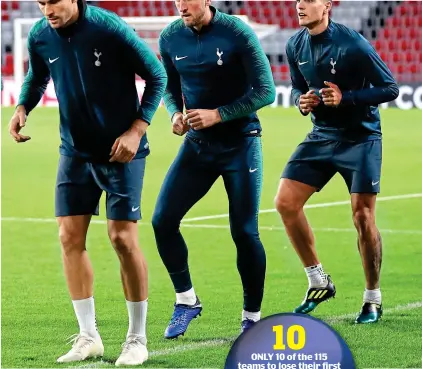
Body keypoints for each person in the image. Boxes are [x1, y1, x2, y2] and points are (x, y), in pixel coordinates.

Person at [8, 0, 167, 364]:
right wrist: (23, 107)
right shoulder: (39, 35)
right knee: (68, 237)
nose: (46, 9)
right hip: (74, 151)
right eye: (40, 2)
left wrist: (136, 131)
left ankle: (137, 339)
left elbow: (157, 75)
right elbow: (37, 75)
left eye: (53, 1)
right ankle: (88, 336)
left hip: (120, 151)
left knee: (123, 239)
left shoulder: (108, 28)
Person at [152, 0, 275, 338]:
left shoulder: (238, 32)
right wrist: (176, 113)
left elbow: (267, 92)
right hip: (198, 146)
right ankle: (186, 300)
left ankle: (251, 318)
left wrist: (218, 114)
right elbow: (169, 86)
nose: (179, 5)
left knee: (245, 232)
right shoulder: (170, 37)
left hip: (241, 145)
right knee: (162, 221)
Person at [275, 0, 399, 323]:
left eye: (309, 0)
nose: (300, 6)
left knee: (362, 217)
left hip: (361, 138)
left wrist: (348, 98)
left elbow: (391, 88)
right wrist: (302, 102)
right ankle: (318, 280)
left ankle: (372, 297)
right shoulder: (294, 45)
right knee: (285, 203)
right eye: (298, 0)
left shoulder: (353, 44)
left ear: (328, 5)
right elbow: (297, 88)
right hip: (323, 135)